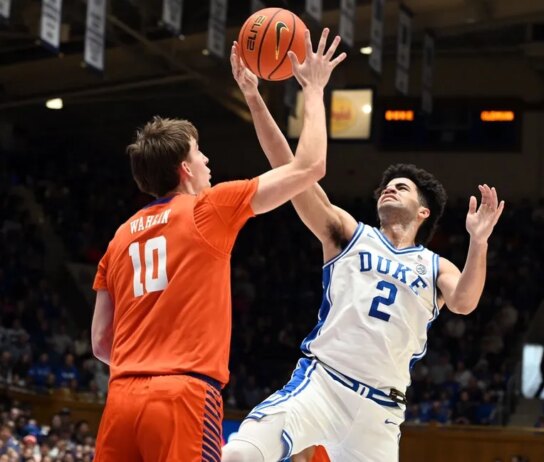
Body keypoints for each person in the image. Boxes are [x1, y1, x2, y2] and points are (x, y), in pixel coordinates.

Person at [223, 38, 504, 462]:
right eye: (386, 186)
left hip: (380, 412)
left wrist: (478, 242)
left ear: (424, 211)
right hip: (322, 385)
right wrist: (253, 98)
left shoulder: (435, 266)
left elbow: (464, 302)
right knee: (240, 454)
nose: (389, 188)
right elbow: (290, 169)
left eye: (401, 187)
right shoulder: (349, 234)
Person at [90, 28, 346, 461]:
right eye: (199, 153)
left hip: (120, 399)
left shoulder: (119, 238)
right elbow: (310, 166)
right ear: (185, 169)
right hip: (184, 395)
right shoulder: (208, 209)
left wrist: (253, 96)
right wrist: (314, 89)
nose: (207, 160)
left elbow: (101, 343)